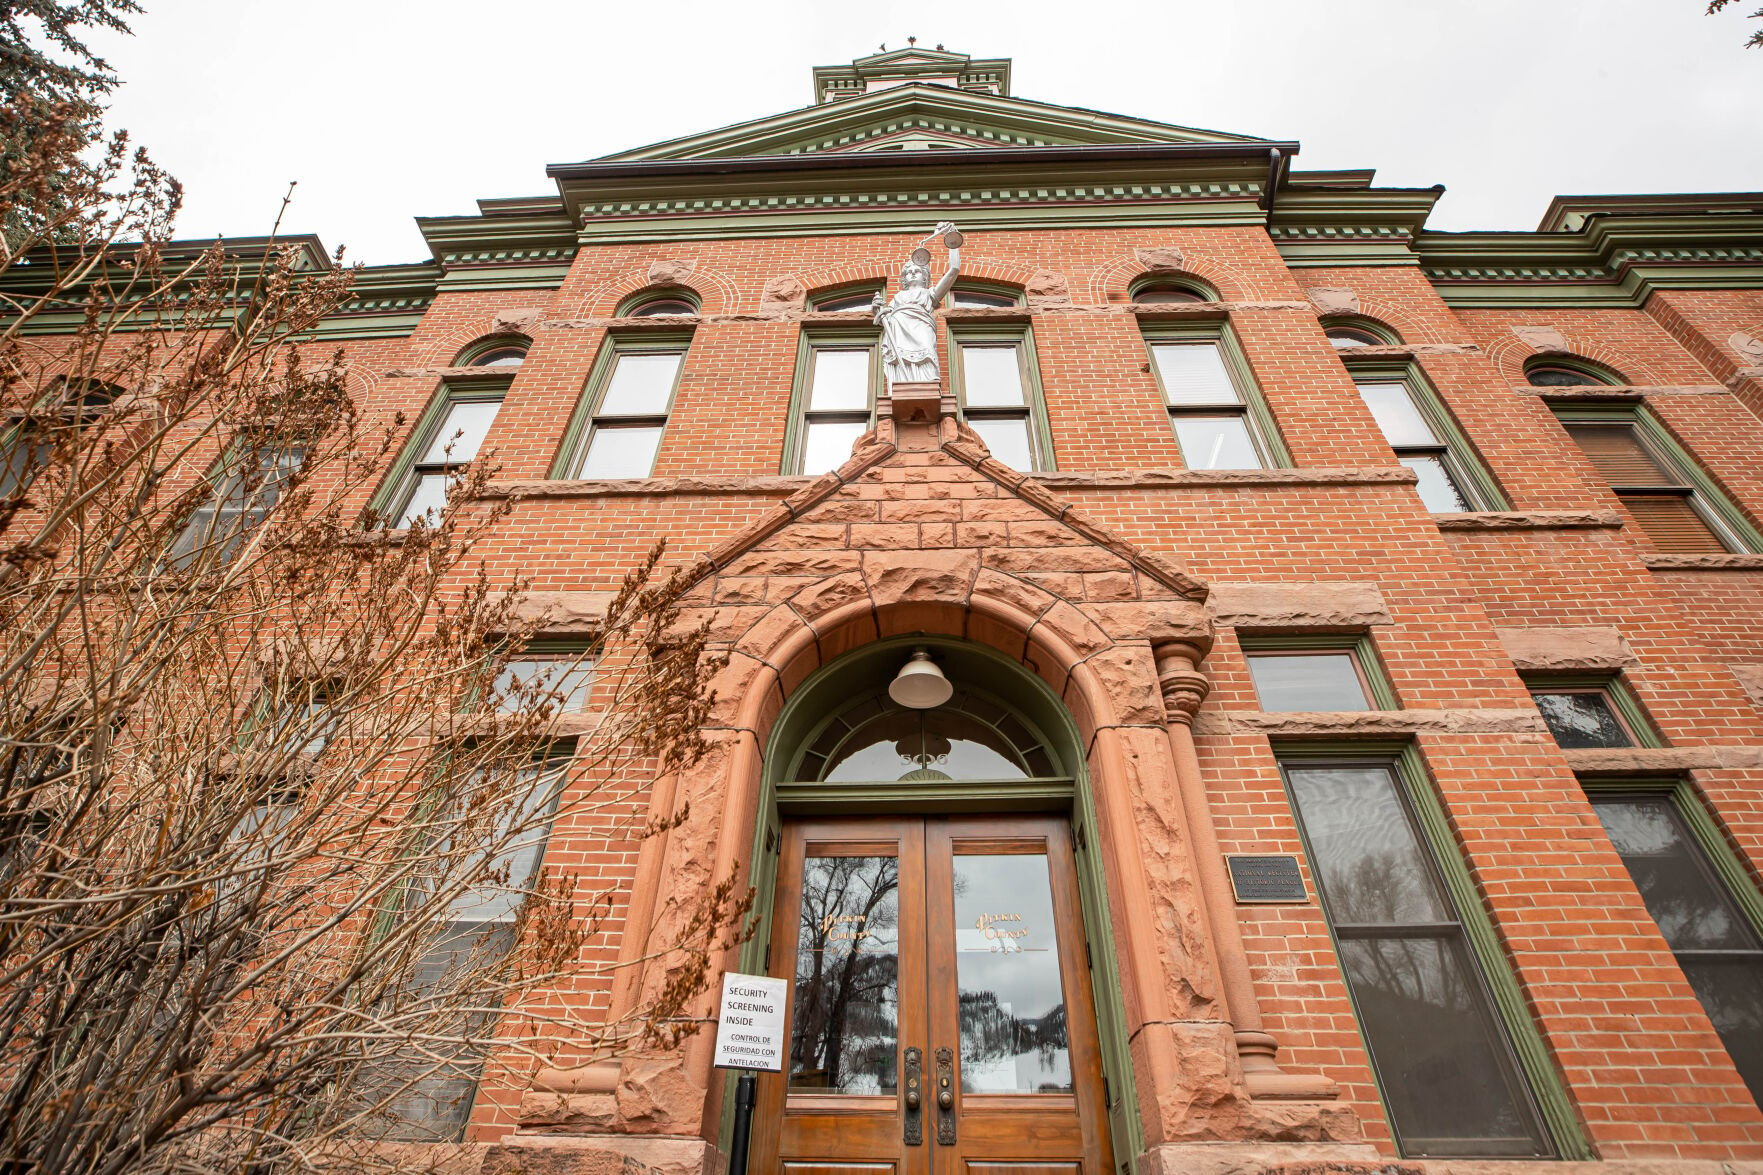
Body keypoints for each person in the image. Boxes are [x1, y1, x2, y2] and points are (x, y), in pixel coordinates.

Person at [871, 222, 961, 385]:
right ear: (904, 278)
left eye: (917, 271)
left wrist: (953, 243)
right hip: (900, 330)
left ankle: (927, 383)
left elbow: (953, 270)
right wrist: (877, 308)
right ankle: (903, 381)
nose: (912, 274)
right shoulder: (898, 296)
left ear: (925, 276)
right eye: (908, 272)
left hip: (921, 326)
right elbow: (883, 318)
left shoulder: (929, 294)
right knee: (902, 357)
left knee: (926, 350)